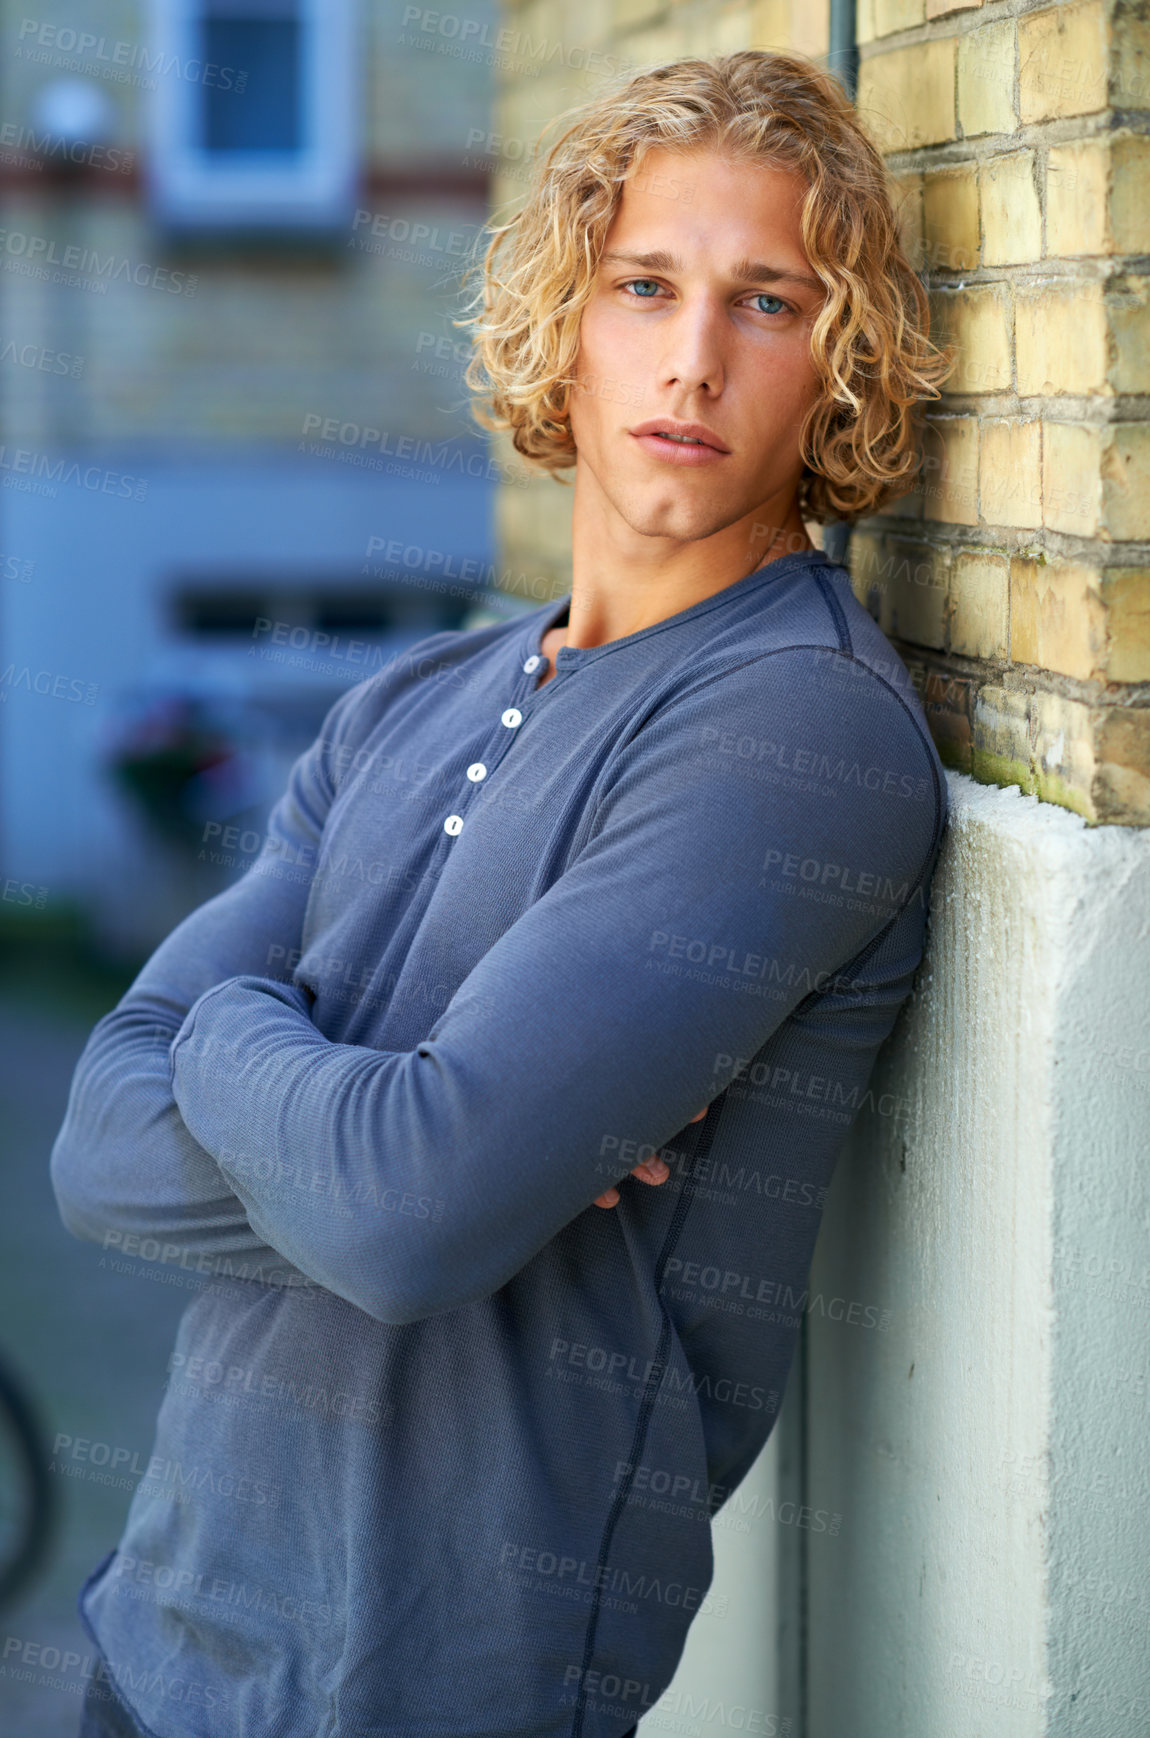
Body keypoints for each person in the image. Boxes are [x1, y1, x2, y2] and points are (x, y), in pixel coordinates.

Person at [53, 48, 952, 1738]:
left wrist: (244, 1046)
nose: (692, 356)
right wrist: (383, 1118)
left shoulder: (794, 721)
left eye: (768, 302)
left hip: (436, 1675)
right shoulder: (407, 702)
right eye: (645, 285)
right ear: (567, 317)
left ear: (838, 366)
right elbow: (92, 1142)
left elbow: (407, 1217)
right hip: (161, 1627)